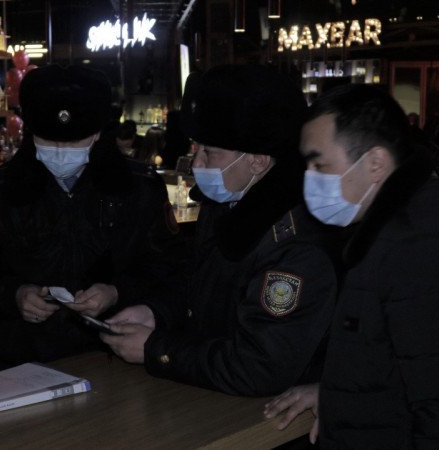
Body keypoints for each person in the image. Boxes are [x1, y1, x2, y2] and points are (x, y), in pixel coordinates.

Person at [264, 84, 439, 447]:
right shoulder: (398, 223)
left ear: (376, 163)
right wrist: (337, 394)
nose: (310, 179)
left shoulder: (423, 245)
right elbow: (397, 363)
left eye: (320, 164)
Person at [100, 65, 339, 396]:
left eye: (210, 152)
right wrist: (155, 313)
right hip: (210, 394)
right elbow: (199, 287)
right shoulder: (228, 205)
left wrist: (156, 349)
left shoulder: (294, 244)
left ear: (257, 161)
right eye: (196, 148)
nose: (197, 163)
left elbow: (260, 365)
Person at [0, 64, 182, 367]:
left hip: (114, 355)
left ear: (97, 133)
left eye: (73, 142)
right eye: (48, 141)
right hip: (25, 361)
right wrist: (16, 295)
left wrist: (116, 292)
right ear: (31, 133)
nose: (60, 152)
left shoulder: (138, 188)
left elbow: (169, 269)